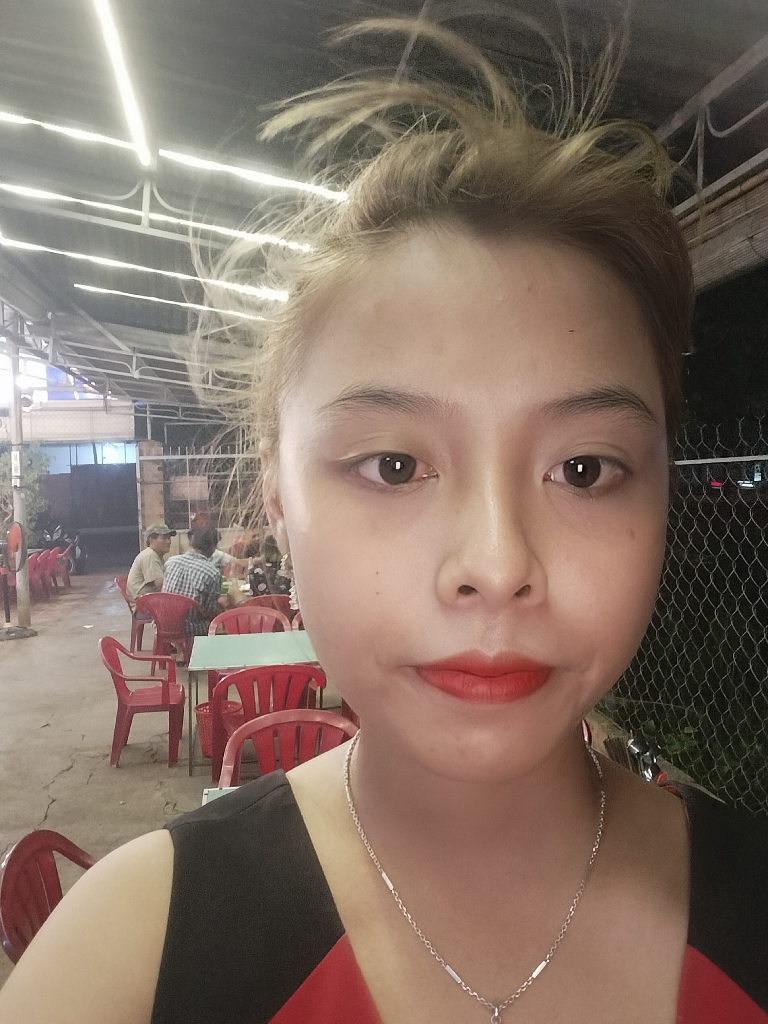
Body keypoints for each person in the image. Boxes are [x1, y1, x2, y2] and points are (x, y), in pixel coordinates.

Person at [2, 17, 767, 1024]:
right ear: (279, 498)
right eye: (395, 466)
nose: (496, 563)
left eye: (584, 469)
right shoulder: (130, 956)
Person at [161, 525, 228, 634]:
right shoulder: (212, 572)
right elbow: (208, 610)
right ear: (213, 547)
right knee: (223, 628)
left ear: (192, 542)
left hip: (162, 623)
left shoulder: (171, 561)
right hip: (191, 628)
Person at [125, 523, 176, 600]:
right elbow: (159, 583)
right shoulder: (150, 555)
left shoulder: (156, 555)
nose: (168, 541)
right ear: (151, 540)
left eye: (169, 538)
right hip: (142, 599)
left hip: (145, 596)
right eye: (164, 538)